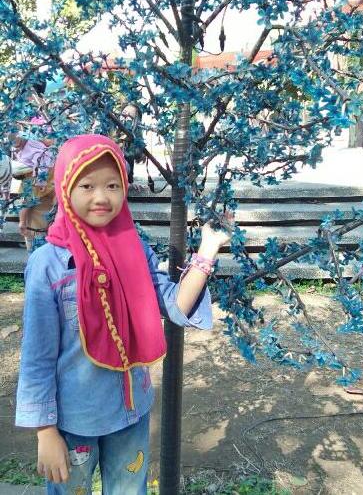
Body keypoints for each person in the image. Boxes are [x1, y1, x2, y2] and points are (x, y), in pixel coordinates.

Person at [15, 134, 231, 494]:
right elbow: (37, 355)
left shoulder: (135, 249)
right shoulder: (48, 265)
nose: (102, 197)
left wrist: (208, 248)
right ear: (65, 188)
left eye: (113, 185)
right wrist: (45, 431)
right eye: (87, 186)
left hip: (131, 412)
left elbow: (176, 306)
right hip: (74, 422)